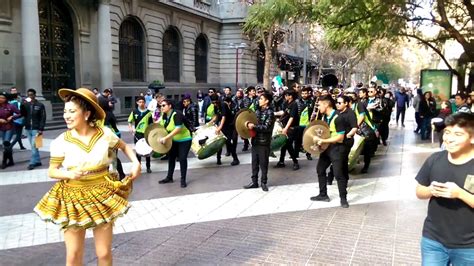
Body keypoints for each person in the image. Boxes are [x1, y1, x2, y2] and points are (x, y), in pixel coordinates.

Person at [34, 88, 141, 266]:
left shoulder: (104, 134)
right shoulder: (61, 140)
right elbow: (52, 170)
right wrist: (68, 173)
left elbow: (124, 146)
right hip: (73, 195)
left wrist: (136, 162)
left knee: (104, 253)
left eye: (72, 111)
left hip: (103, 194)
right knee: (73, 255)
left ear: (86, 114)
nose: (66, 116)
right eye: (65, 111)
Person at [415, 112, 474, 265]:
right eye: (447, 132)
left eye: (458, 134)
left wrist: (459, 193)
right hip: (433, 240)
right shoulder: (435, 159)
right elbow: (419, 191)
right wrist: (431, 190)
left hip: (469, 246)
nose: (449, 138)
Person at [310, 95, 357, 208]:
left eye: (320, 104)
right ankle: (323, 194)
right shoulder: (325, 117)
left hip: (337, 149)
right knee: (320, 169)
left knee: (338, 174)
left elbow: (340, 137)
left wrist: (323, 140)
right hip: (327, 148)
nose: (318, 107)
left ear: (326, 105)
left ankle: (343, 199)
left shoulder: (338, 118)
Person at [243, 92, 275, 191]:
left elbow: (266, 127)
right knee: (254, 163)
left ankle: (263, 182)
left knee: (263, 163)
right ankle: (254, 182)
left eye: (261, 99)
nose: (259, 100)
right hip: (255, 140)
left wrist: (254, 126)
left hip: (264, 142)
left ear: (267, 101)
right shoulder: (257, 111)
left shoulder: (270, 112)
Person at [158, 99, 193, 188]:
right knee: (171, 158)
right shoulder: (164, 116)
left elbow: (178, 129)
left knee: (182, 158)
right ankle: (169, 177)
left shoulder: (177, 114)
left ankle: (183, 180)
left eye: (163, 105)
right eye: (160, 106)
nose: (161, 107)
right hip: (173, 140)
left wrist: (166, 138)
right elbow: (161, 126)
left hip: (184, 139)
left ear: (170, 106)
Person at [274, 89, 300, 170]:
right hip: (285, 126)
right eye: (285, 95)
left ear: (291, 96)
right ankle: (281, 161)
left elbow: (291, 117)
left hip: (292, 127)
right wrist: (275, 114)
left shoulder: (294, 104)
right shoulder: (286, 103)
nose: (285, 96)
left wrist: (286, 128)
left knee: (288, 144)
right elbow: (284, 112)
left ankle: (295, 162)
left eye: (286, 95)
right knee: (284, 144)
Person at [210, 95, 239, 166]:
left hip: (230, 126)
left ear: (218, 100)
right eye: (213, 103)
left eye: (215, 102)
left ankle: (235, 159)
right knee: (219, 142)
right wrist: (211, 122)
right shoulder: (215, 106)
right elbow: (217, 116)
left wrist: (220, 127)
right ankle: (218, 159)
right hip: (224, 126)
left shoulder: (223, 105)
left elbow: (223, 117)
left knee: (229, 142)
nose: (215, 104)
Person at [22, 89, 46, 170]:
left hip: (36, 129)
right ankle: (38, 161)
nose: (30, 96)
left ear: (35, 95)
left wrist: (41, 128)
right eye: (28, 95)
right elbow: (23, 114)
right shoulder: (26, 104)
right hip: (28, 128)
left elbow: (43, 117)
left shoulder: (40, 105)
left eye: (31, 94)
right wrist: (22, 104)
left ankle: (32, 163)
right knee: (35, 147)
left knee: (33, 146)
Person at [128, 96, 153, 173]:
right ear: (137, 103)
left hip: (146, 134)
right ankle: (138, 167)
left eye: (142, 102)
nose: (141, 104)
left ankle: (148, 167)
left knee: (147, 151)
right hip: (137, 134)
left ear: (145, 102)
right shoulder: (134, 112)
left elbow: (151, 124)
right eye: (139, 102)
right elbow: (130, 121)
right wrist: (131, 128)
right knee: (138, 151)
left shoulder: (149, 113)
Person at [0, 92, 21, 169]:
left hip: (9, 127)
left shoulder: (10, 106)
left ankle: (4, 162)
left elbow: (20, 113)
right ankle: (11, 160)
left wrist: (12, 117)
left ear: (6, 99)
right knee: (7, 145)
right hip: (1, 128)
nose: (1, 99)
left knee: (5, 144)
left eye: (3, 98)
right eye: (0, 97)